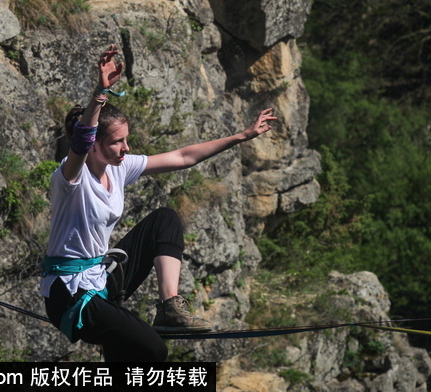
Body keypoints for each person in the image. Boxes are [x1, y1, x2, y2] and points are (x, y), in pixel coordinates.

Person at [40, 44, 277, 361]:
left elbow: (182, 157)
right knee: (153, 349)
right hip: (68, 295)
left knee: (164, 219)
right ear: (94, 145)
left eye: (126, 139)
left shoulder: (120, 167)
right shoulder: (71, 178)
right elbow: (82, 137)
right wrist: (99, 92)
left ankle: (169, 308)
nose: (126, 148)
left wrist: (241, 137)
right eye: (117, 141)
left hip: (99, 278)